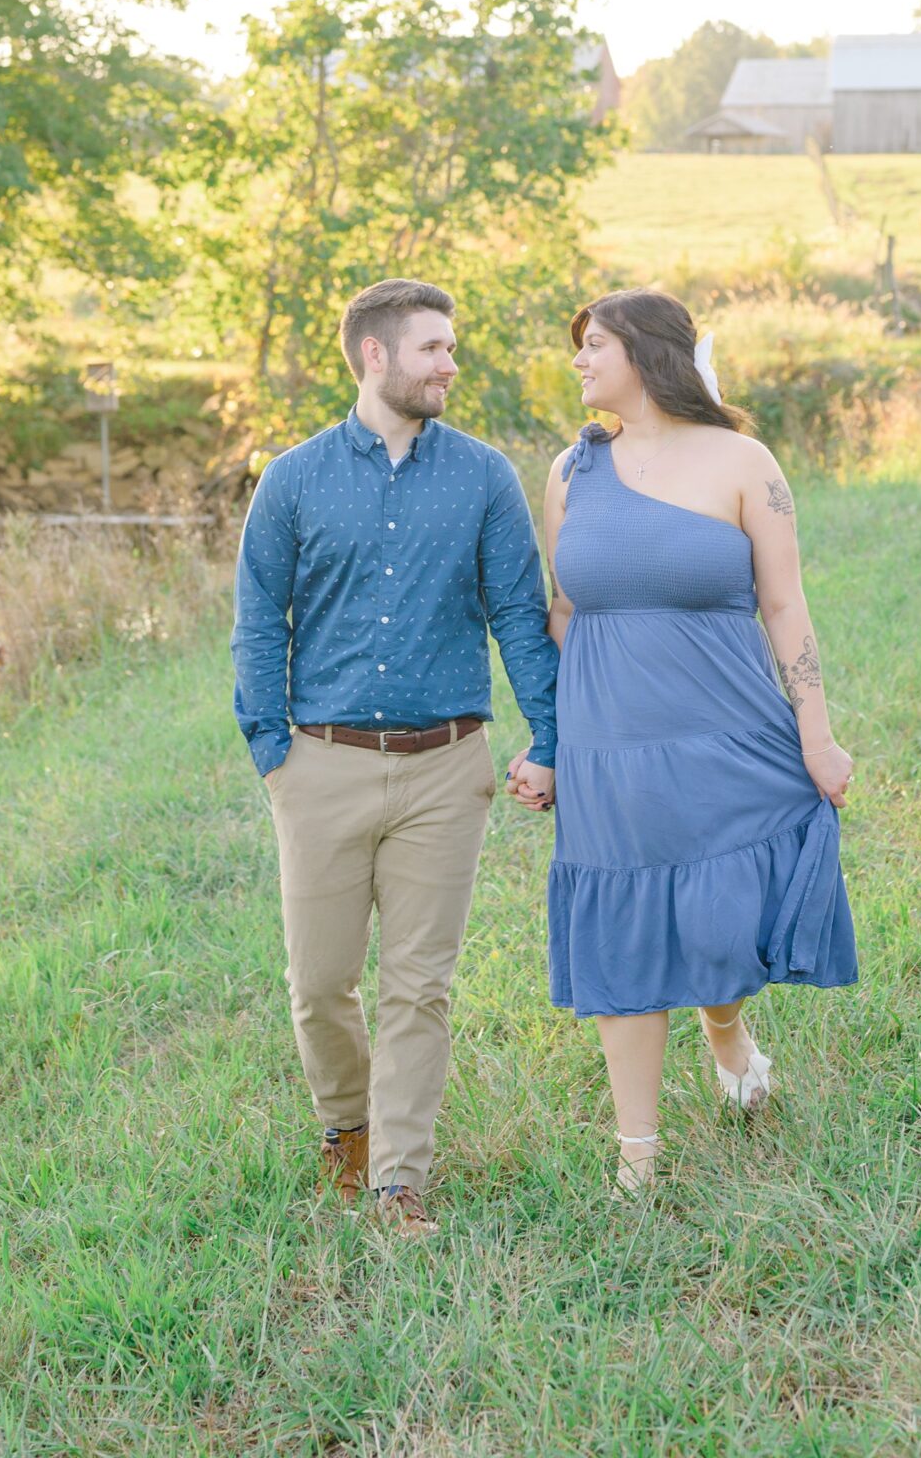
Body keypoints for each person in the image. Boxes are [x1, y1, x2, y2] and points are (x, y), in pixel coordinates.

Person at [507, 287, 857, 1196]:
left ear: (649, 355)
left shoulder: (743, 461)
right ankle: (638, 1157)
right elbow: (564, 611)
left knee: (716, 914)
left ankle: (725, 1027)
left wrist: (816, 737)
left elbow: (784, 604)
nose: (579, 362)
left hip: (728, 729)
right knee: (623, 932)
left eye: (595, 347)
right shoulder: (568, 473)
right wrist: (547, 740)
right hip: (610, 743)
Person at [233, 278, 558, 1236]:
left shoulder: (485, 476)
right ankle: (347, 1126)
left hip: (445, 766)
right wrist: (271, 750)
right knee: (319, 984)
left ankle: (398, 1181)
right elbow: (259, 624)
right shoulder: (291, 480)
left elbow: (518, 621)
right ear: (375, 356)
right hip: (320, 765)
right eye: (434, 349)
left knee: (420, 985)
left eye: (451, 348)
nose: (450, 365)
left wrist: (550, 736)